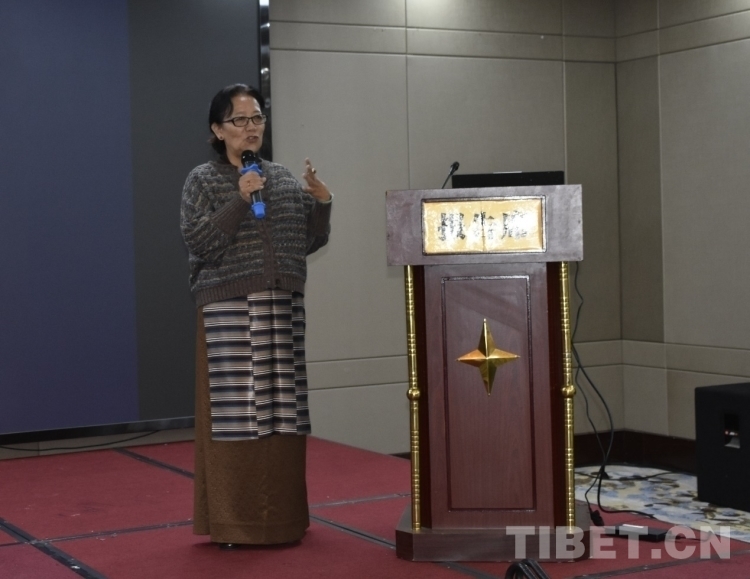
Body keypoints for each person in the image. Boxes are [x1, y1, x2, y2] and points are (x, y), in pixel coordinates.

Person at [180, 83, 332, 547]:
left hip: (281, 311)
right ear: (217, 129)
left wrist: (322, 203)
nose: (251, 128)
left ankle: (284, 521)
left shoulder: (281, 178)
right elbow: (200, 242)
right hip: (228, 312)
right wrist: (240, 199)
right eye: (240, 120)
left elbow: (306, 240)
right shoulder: (202, 181)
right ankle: (234, 525)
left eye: (257, 118)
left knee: (284, 421)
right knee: (238, 423)